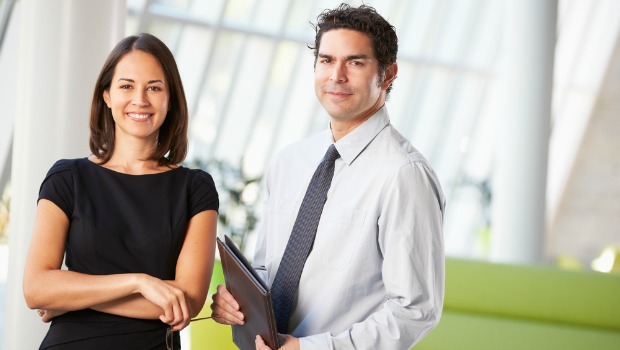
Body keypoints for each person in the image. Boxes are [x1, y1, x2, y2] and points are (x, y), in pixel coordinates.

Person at [211, 3, 445, 350]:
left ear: (389, 74)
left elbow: (414, 310)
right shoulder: (290, 161)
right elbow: (264, 269)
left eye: (355, 62)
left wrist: (309, 349)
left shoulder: (403, 175)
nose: (336, 75)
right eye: (326, 60)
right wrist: (234, 301)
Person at [23, 33, 219, 349]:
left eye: (154, 88)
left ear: (170, 100)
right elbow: (36, 287)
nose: (140, 99)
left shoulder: (195, 188)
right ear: (107, 95)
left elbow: (186, 301)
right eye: (126, 86)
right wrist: (139, 283)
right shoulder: (67, 178)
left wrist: (71, 296)